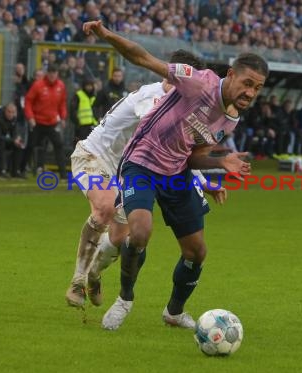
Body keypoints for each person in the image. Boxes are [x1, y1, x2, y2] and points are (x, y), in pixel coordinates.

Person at [82, 20, 269, 331]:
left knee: (197, 252)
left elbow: (194, 155)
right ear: (231, 74)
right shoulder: (199, 83)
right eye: (247, 83)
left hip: (176, 173)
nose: (251, 92)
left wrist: (221, 162)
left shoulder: (232, 116)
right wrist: (106, 35)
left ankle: (174, 311)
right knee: (139, 232)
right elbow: (144, 58)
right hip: (141, 163)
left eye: (258, 88)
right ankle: (125, 299)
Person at [65, 50, 227, 309]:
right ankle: (77, 281)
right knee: (104, 208)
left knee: (120, 239)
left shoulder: (180, 106)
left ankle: (93, 277)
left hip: (124, 171)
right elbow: (163, 139)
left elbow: (177, 151)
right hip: (93, 156)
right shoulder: (154, 97)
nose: (170, 79)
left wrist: (203, 182)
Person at [24, 63, 68, 178]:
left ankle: (63, 174)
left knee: (59, 145)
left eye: (54, 73)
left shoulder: (61, 86)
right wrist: (30, 117)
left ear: (57, 74)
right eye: (50, 73)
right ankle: (21, 169)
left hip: (53, 122)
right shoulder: (38, 85)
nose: (52, 75)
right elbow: (28, 101)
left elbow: (62, 103)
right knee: (31, 145)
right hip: (38, 122)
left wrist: (63, 117)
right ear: (47, 73)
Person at [70, 77, 98, 142]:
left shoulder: (94, 96)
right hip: (81, 126)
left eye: (91, 85)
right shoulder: (78, 95)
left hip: (92, 125)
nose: (89, 87)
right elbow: (72, 111)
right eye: (87, 85)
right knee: (80, 146)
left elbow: (96, 110)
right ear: (84, 86)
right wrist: (77, 123)